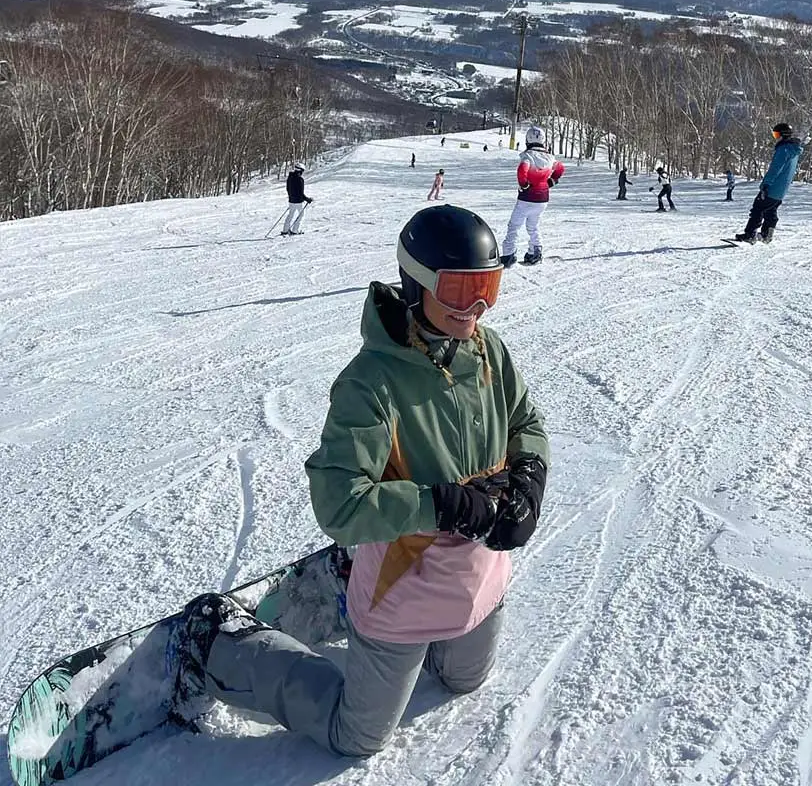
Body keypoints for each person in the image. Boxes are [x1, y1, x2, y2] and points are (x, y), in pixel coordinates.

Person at [173, 205, 550, 758]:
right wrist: (442, 505)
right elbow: (338, 504)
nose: (476, 308)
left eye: (488, 287)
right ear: (416, 285)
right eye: (458, 291)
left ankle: (358, 573)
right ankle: (224, 646)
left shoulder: (488, 351)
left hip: (477, 575)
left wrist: (530, 475)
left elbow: (526, 422)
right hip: (404, 583)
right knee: (359, 736)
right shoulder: (370, 382)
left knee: (466, 679)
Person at [500, 125, 565, 267]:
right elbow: (560, 168)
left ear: (527, 140)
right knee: (533, 225)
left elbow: (522, 171)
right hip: (543, 198)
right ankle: (535, 251)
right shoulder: (550, 158)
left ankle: (508, 254)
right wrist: (551, 181)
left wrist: (524, 185)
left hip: (527, 197)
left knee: (514, 225)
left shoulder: (528, 156)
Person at [735, 123, 804, 244]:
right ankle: (767, 235)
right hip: (781, 190)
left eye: (777, 134)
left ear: (784, 135)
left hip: (773, 187)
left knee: (758, 208)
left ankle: (750, 234)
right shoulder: (793, 150)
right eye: (774, 134)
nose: (775, 137)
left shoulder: (784, 149)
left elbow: (775, 168)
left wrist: (766, 184)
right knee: (770, 210)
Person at [282, 163, 313, 235]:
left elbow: (288, 189)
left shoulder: (290, 177)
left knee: (290, 214)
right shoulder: (300, 179)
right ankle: (295, 230)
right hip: (298, 201)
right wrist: (308, 199)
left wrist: (291, 197)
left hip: (291, 200)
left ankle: (285, 230)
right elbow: (300, 193)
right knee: (301, 215)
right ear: (301, 171)